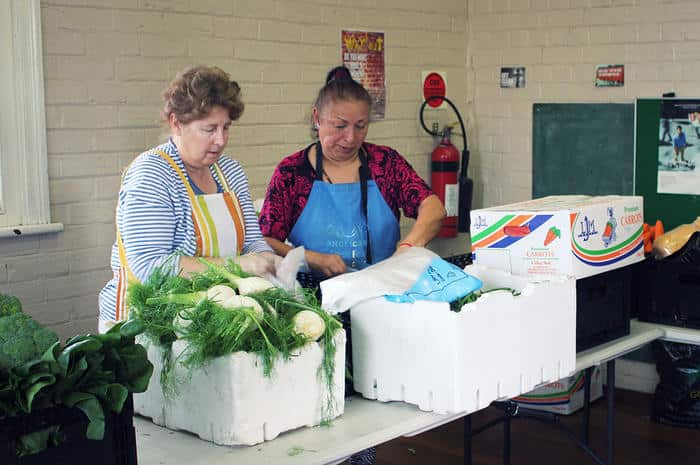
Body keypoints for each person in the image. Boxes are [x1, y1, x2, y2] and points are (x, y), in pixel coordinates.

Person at [99, 65, 278, 332]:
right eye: (209, 129)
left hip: (213, 316)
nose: (221, 140)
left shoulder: (229, 172)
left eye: (226, 127)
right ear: (176, 123)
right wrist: (240, 265)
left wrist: (268, 260)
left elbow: (251, 241)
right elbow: (152, 267)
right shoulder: (152, 174)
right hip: (148, 324)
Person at [259, 66, 446, 277]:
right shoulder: (292, 173)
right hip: (316, 297)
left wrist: (408, 247)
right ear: (317, 118)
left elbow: (434, 208)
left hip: (384, 287)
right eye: (340, 126)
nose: (350, 138)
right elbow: (264, 241)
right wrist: (310, 258)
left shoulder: (385, 163)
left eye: (360, 126)